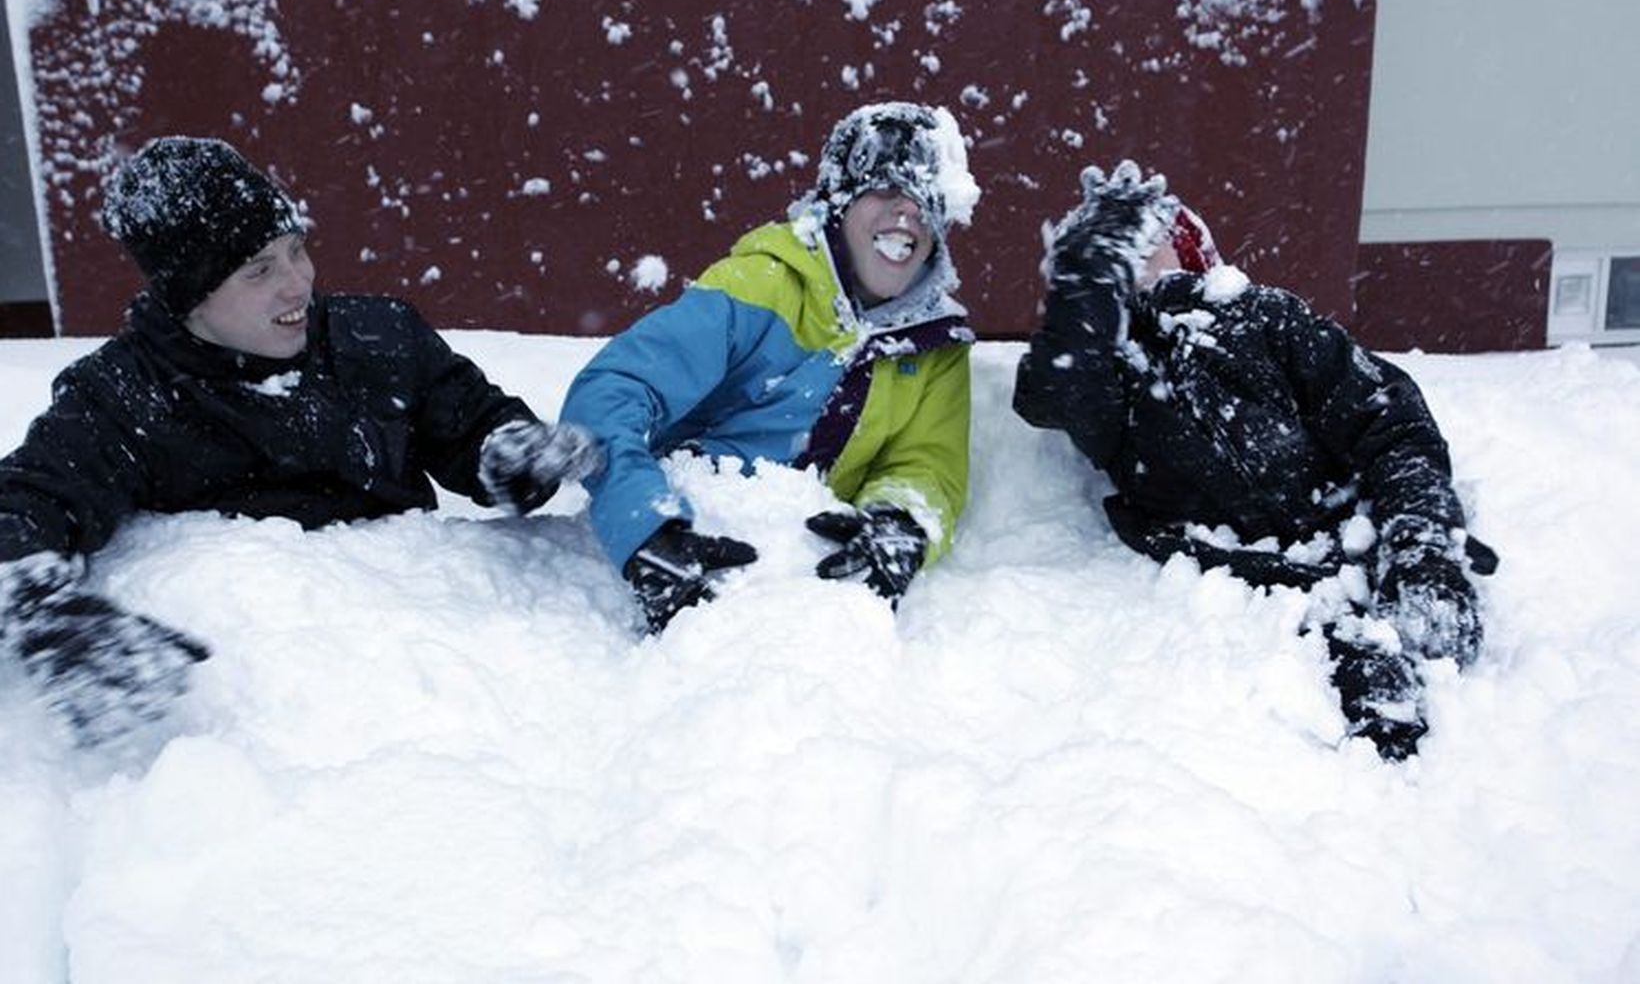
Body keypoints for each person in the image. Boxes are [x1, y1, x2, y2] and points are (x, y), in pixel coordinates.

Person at [0, 136, 600, 745]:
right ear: (189, 298)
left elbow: (474, 427)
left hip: (435, 676)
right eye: (260, 270)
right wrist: (43, 609)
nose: (298, 284)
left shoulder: (379, 338)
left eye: (296, 250)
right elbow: (27, 503)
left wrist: (514, 456)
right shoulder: (125, 398)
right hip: (272, 715)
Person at [1013, 161, 1496, 761]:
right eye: (1116, 248)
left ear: (1190, 250)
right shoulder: (1110, 378)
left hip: (1346, 517)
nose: (1134, 256)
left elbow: (1385, 416)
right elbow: (1053, 388)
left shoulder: (1264, 317)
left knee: (1431, 611)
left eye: (1148, 238)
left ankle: (1421, 583)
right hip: (1250, 567)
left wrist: (1419, 530)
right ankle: (1376, 704)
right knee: (1342, 650)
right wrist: (1087, 282)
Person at [560, 102, 980, 633]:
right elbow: (612, 392)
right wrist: (647, 529)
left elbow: (925, 464)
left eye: (926, 200)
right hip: (690, 547)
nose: (907, 213)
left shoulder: (935, 345)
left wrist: (898, 524)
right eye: (884, 191)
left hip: (802, 581)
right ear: (839, 205)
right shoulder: (761, 289)